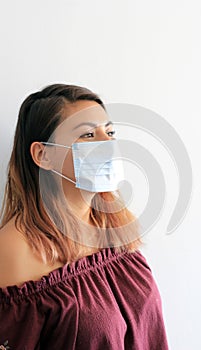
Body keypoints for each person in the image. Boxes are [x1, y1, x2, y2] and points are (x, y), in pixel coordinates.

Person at [0, 84, 169, 349]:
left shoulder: (115, 228)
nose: (108, 144)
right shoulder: (14, 249)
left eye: (110, 132)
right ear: (43, 155)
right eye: (88, 135)